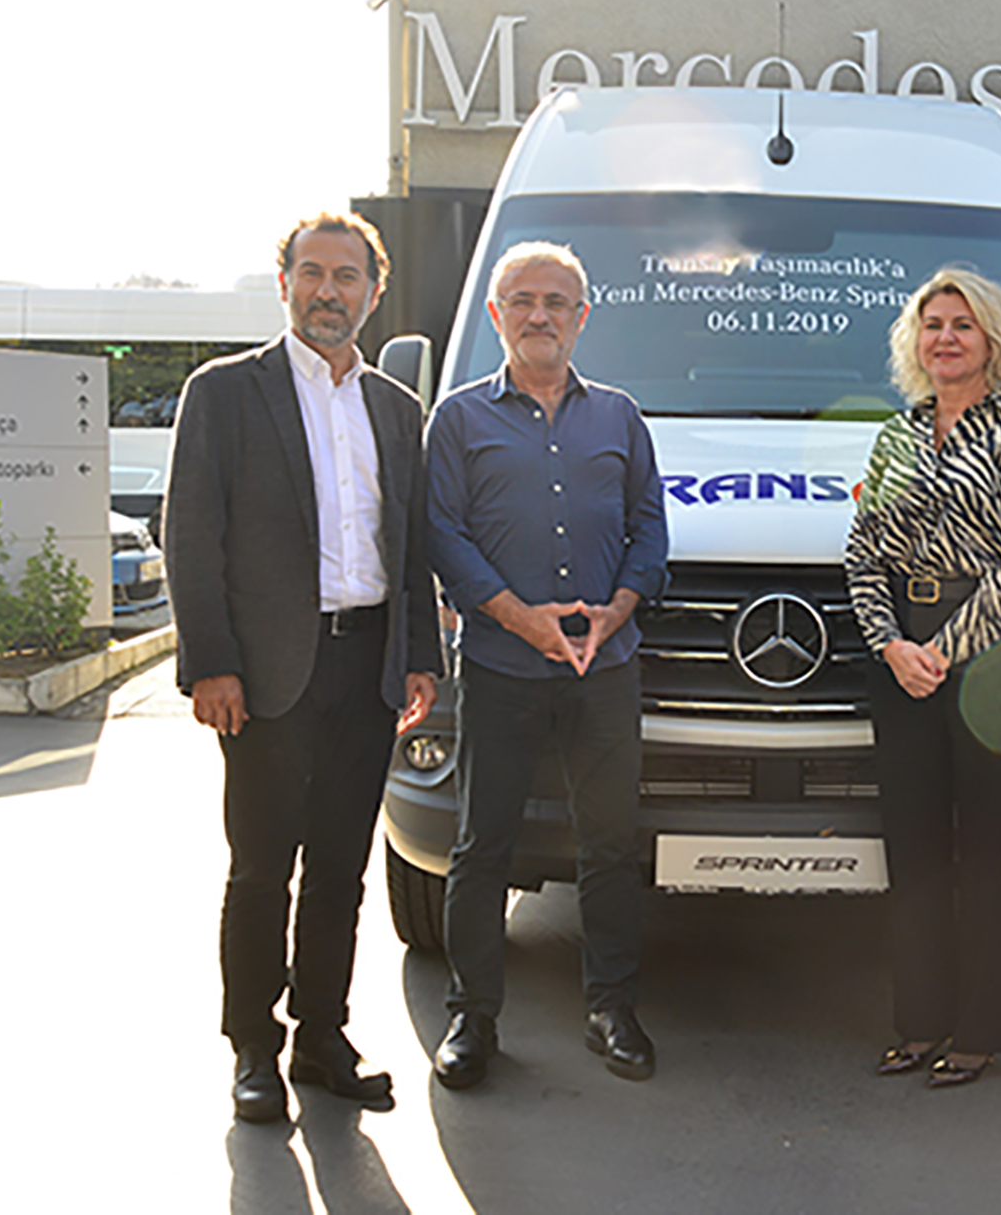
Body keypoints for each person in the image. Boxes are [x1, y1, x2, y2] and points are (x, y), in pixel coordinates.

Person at [166, 211, 441, 1123]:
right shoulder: (225, 392)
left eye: (347, 275)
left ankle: (322, 1036)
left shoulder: (396, 409)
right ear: (284, 281)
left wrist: (419, 657)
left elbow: (410, 546)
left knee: (339, 869)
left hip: (368, 667)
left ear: (375, 289)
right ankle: (254, 1047)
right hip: (265, 674)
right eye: (313, 272)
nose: (329, 291)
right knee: (260, 869)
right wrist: (211, 662)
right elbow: (191, 534)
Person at [423, 241, 669, 1089]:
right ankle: (472, 1017)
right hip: (500, 667)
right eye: (522, 300)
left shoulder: (621, 418)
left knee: (609, 845)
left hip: (605, 668)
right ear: (496, 314)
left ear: (581, 316)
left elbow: (649, 529)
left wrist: (620, 607)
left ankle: (612, 1009)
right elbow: (443, 534)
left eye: (556, 301)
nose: (539, 314)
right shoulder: (458, 419)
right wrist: (518, 618)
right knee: (482, 845)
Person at [844, 267, 1001, 1088]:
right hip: (903, 662)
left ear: (991, 340)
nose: (945, 337)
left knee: (990, 853)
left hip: (994, 661)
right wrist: (892, 644)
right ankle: (918, 1023)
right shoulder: (895, 437)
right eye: (933, 324)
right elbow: (863, 551)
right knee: (915, 852)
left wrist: (947, 647)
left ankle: (978, 1030)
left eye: (962, 324)